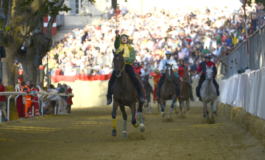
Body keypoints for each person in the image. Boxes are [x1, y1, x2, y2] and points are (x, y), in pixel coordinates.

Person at [106, 30, 146, 105]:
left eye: (125, 38)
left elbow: (133, 58)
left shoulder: (130, 48)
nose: (124, 39)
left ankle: (140, 95)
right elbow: (116, 42)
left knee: (134, 79)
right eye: (122, 38)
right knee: (111, 80)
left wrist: (126, 59)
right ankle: (109, 97)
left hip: (127, 65)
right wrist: (117, 36)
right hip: (118, 66)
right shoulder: (118, 46)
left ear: (127, 39)